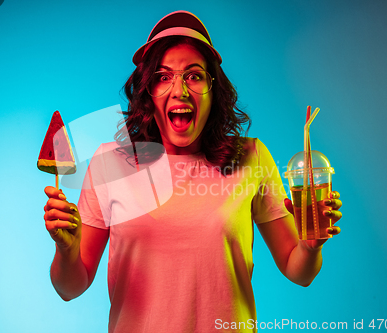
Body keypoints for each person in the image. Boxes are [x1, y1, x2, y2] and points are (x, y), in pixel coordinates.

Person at [43, 11, 342, 333]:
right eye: (163, 76)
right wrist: (66, 250)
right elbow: (69, 288)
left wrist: (311, 246)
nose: (180, 90)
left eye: (194, 75)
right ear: (148, 91)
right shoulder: (109, 163)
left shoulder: (251, 157)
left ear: (214, 90)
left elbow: (299, 272)